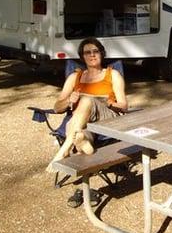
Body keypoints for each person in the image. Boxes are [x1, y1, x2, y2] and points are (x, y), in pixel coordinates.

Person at [46, 37, 128, 172]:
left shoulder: (112, 74)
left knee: (86, 100)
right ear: (82, 57)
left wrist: (112, 103)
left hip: (106, 117)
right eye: (87, 52)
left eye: (96, 51)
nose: (92, 55)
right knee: (81, 134)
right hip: (81, 122)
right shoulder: (74, 77)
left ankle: (64, 149)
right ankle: (83, 144)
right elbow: (57, 107)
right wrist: (68, 101)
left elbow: (124, 106)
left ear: (101, 53)